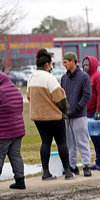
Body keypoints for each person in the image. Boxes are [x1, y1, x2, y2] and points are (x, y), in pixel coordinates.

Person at [27, 49, 75, 180]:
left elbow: (29, 97)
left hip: (38, 117)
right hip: (54, 117)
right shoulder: (49, 78)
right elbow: (60, 99)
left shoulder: (30, 78)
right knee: (61, 142)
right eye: (51, 64)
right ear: (47, 65)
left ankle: (46, 172)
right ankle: (68, 171)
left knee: (45, 142)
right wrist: (65, 110)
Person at [61, 52, 92, 177]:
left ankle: (86, 165)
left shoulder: (84, 77)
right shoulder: (64, 78)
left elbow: (87, 94)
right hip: (67, 116)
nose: (64, 65)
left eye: (66, 62)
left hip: (79, 115)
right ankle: (72, 166)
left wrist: (78, 107)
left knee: (82, 140)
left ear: (72, 61)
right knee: (70, 143)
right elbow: (62, 94)